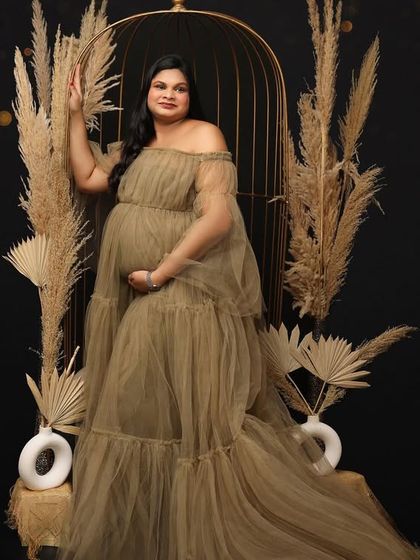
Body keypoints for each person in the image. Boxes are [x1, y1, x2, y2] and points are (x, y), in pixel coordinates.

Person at [58, 53, 419, 559]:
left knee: (179, 415)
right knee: (147, 411)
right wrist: (75, 114)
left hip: (179, 292)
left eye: (179, 88)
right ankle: (157, 533)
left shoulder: (205, 136)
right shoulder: (136, 144)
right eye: (160, 86)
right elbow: (88, 178)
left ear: (191, 97)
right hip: (139, 291)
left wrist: (160, 274)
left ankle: (204, 530)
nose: (168, 95)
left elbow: (218, 220)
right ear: (146, 93)